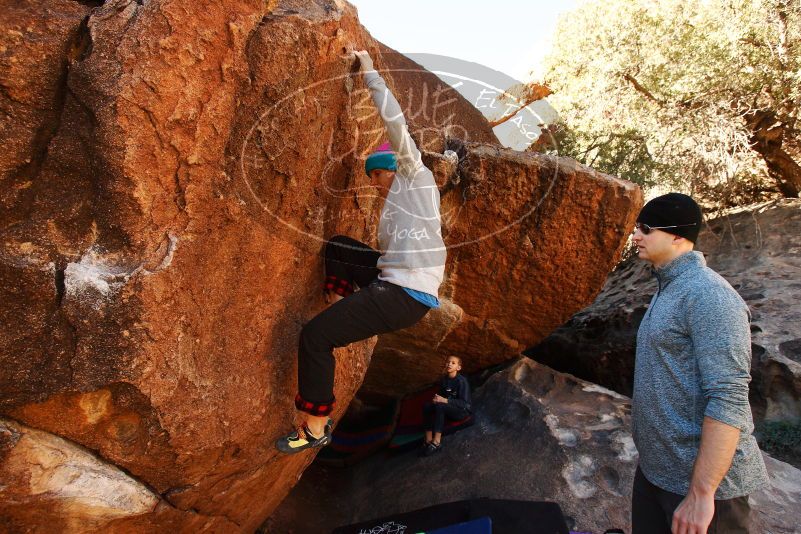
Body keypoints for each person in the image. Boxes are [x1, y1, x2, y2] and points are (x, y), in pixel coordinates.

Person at [275, 50, 447, 454]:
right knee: (340, 246)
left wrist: (369, 72)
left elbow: (395, 121)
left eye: (378, 174)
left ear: (396, 165)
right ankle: (340, 305)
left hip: (403, 295)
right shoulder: (395, 205)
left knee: (315, 338)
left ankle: (316, 426)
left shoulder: (416, 176)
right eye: (370, 178)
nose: (374, 184)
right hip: (393, 283)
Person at [630, 193, 768, 534]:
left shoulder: (709, 295)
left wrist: (702, 493)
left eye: (645, 228)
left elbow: (728, 396)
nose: (635, 236)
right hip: (657, 473)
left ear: (678, 235)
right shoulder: (670, 288)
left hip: (704, 489)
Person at [420, 355, 471, 457]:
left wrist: (444, 400)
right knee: (427, 406)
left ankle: (436, 442)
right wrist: (436, 399)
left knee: (441, 406)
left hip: (461, 412)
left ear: (458, 368)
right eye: (448, 362)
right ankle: (428, 440)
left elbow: (464, 404)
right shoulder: (444, 380)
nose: (449, 364)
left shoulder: (461, 381)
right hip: (448, 409)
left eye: (453, 363)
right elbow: (441, 397)